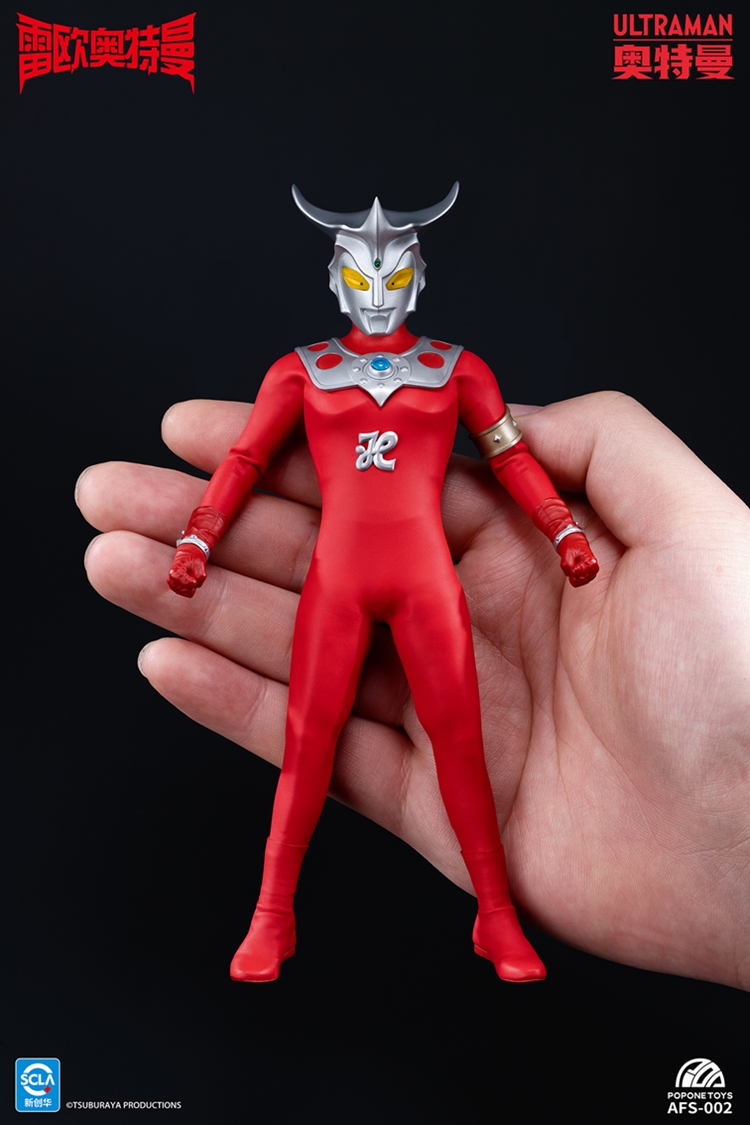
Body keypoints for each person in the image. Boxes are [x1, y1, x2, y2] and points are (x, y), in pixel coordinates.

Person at [77, 194, 750, 992]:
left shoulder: (458, 369)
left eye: (394, 274)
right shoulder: (301, 369)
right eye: (361, 275)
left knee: (461, 741)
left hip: (427, 578)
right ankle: (271, 913)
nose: (377, 290)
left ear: (419, 279)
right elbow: (246, 459)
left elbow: (512, 457)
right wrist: (198, 536)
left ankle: (495, 913)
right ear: (335, 280)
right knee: (307, 743)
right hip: (338, 579)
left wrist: (563, 529)